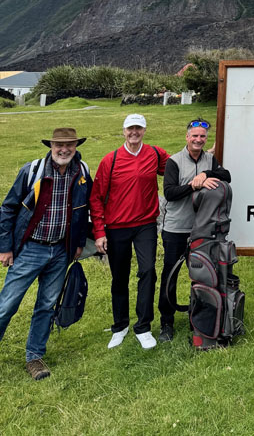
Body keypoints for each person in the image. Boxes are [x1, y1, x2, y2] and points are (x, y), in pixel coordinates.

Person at [0, 128, 92, 380]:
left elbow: (83, 211)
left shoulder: (82, 172)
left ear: (75, 145)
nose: (64, 150)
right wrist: (5, 247)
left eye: (69, 145)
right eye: (58, 145)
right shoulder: (33, 171)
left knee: (46, 306)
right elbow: (8, 208)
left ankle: (35, 358)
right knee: (7, 304)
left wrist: (79, 242)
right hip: (31, 248)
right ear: (50, 146)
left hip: (61, 251)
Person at [90, 114, 169, 350]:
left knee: (147, 272)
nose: (134, 132)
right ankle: (120, 325)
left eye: (139, 128)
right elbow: (96, 198)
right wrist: (99, 232)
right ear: (124, 131)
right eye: (130, 128)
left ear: (144, 131)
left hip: (145, 224)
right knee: (120, 277)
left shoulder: (155, 154)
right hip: (116, 227)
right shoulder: (110, 160)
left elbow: (179, 167)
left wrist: (209, 152)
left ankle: (143, 326)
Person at [158, 118, 230, 342]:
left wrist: (207, 174)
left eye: (202, 137)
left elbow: (226, 176)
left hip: (201, 229)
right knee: (170, 274)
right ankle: (166, 323)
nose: (198, 140)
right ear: (187, 138)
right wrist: (193, 184)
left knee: (202, 274)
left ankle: (198, 317)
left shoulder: (210, 159)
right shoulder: (174, 161)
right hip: (176, 228)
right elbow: (169, 192)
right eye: (195, 136)